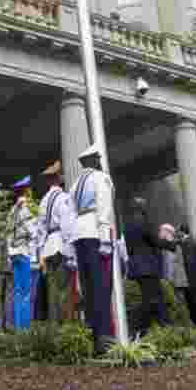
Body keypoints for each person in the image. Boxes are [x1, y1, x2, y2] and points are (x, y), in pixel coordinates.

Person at [68, 143, 116, 355]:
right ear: (95, 160)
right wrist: (105, 238)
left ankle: (94, 335)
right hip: (95, 233)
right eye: (98, 158)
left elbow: (69, 215)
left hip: (79, 233)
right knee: (102, 286)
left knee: (88, 288)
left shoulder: (75, 184)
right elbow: (104, 207)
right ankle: (105, 338)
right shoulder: (101, 178)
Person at [124, 200, 173, 336]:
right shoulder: (144, 222)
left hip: (136, 267)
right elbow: (156, 241)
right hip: (147, 267)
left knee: (149, 299)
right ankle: (162, 327)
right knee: (156, 299)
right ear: (142, 209)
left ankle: (143, 328)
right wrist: (173, 245)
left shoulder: (127, 226)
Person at [35, 161, 74, 324]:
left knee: (52, 291)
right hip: (60, 245)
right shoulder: (64, 198)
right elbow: (66, 225)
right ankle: (66, 328)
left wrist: (40, 252)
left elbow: (40, 230)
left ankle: (54, 328)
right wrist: (71, 249)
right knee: (64, 289)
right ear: (59, 178)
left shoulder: (43, 201)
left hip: (48, 247)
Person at [6, 176, 36, 331]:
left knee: (17, 292)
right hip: (24, 251)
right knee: (25, 292)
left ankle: (18, 327)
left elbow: (8, 232)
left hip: (13, 252)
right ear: (26, 191)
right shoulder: (25, 209)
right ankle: (24, 329)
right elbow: (33, 232)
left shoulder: (12, 211)